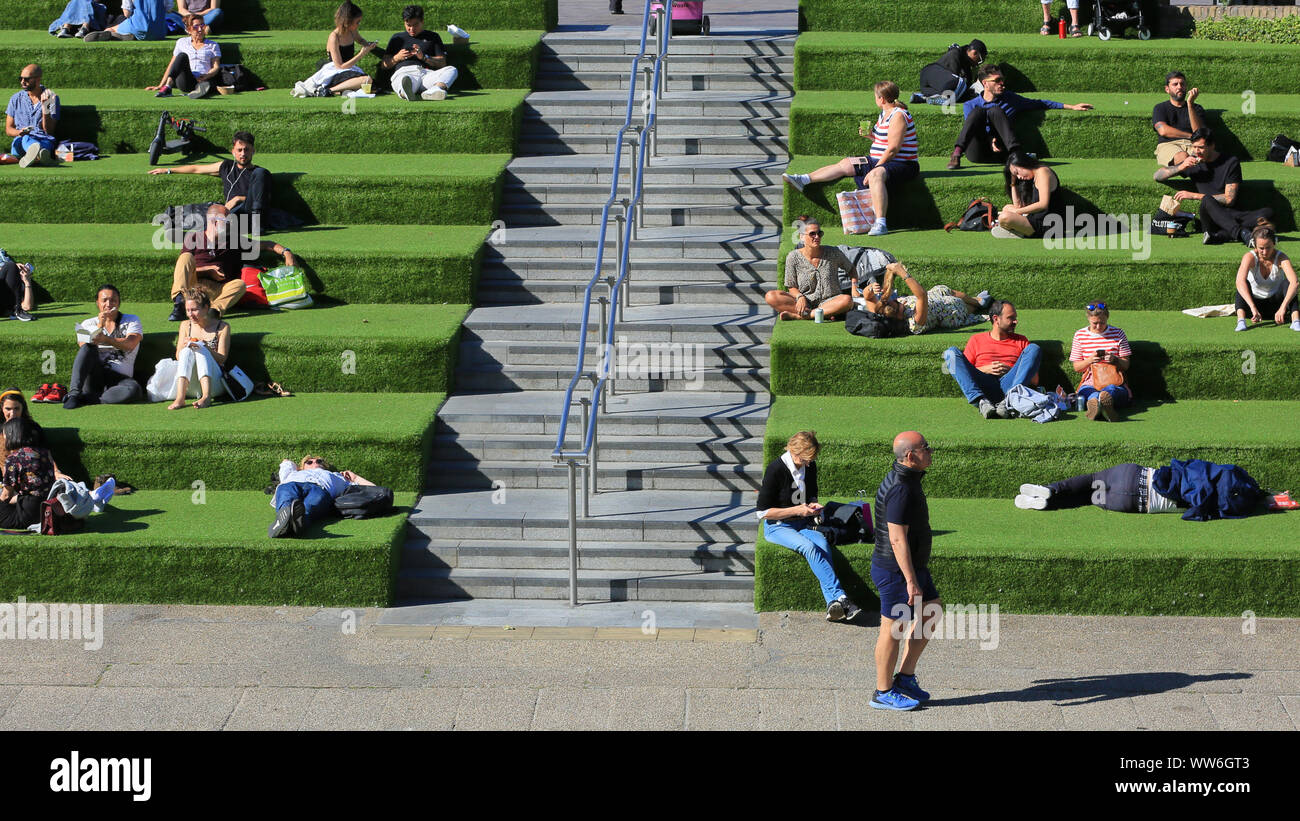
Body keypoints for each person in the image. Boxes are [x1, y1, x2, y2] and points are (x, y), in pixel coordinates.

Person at [782, 81, 918, 236]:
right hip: (879, 159)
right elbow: (884, 141)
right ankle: (804, 179)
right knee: (846, 164)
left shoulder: (898, 115)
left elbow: (893, 149)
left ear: (882, 99)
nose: (874, 99)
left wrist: (874, 169)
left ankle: (880, 223)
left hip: (902, 163)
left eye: (875, 96)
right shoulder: (884, 114)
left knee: (875, 175)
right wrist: (871, 136)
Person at [757, 431, 863, 623]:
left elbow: (812, 494)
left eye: (810, 460)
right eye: (805, 459)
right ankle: (841, 598)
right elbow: (763, 513)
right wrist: (797, 510)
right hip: (778, 527)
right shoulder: (775, 469)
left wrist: (813, 505)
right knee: (808, 547)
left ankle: (833, 604)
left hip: (803, 523)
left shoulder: (810, 466)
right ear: (794, 451)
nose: (808, 463)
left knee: (822, 544)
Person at [870, 430, 942, 711]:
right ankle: (882, 692)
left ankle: (905, 678)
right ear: (910, 456)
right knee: (893, 629)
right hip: (896, 571)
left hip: (912, 566)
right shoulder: (900, 487)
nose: (930, 451)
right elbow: (897, 538)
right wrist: (911, 581)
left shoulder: (908, 479)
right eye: (926, 447)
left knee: (932, 609)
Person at [1014, 459, 1264, 521]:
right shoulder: (1222, 506)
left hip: (1133, 476)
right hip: (1133, 503)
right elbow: (1193, 515)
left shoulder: (1215, 471)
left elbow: (1179, 466)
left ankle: (1049, 490)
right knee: (1090, 498)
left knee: (1091, 480)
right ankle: (1047, 503)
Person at [947, 64, 1092, 170]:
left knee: (995, 111)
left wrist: (1071, 106)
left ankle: (1017, 155)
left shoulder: (1010, 98)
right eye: (997, 80)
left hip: (1002, 151)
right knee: (978, 112)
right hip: (977, 152)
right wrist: (989, 138)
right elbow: (971, 129)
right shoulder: (970, 105)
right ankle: (956, 154)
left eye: (1002, 79)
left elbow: (1039, 103)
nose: (1002, 84)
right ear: (985, 83)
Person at [166, 203, 296, 320]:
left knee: (240, 285)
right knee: (185, 257)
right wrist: (208, 271)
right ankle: (180, 304)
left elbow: (267, 244)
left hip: (218, 289)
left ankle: (213, 312)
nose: (231, 222)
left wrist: (286, 252)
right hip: (193, 286)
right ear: (214, 221)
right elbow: (183, 269)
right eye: (227, 220)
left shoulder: (234, 241)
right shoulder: (193, 238)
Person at [1154, 127, 1274, 246]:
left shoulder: (1230, 162)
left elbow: (1229, 200)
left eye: (1201, 147)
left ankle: (1218, 236)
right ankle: (1242, 233)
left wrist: (1194, 195)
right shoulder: (1192, 163)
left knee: (1267, 213)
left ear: (1212, 146)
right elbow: (1158, 176)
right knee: (1207, 200)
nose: (1196, 151)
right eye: (1194, 147)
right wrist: (1181, 167)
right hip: (1210, 217)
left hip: (1232, 214)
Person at [148, 131, 280, 232]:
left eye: (247, 150)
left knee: (260, 172)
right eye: (239, 150)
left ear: (253, 151)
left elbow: (264, 199)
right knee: (183, 213)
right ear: (233, 152)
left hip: (250, 214)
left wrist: (238, 199)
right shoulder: (227, 166)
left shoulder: (260, 174)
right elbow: (196, 169)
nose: (243, 154)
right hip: (230, 214)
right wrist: (168, 170)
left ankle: (256, 226)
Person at [942, 300, 1042, 418]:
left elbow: (1034, 380)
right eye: (1011, 318)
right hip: (983, 386)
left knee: (1034, 348)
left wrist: (1010, 370)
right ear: (996, 319)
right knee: (950, 353)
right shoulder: (976, 340)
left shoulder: (1021, 340)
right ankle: (981, 402)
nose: (1016, 321)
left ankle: (1010, 401)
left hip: (1009, 386)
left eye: (1016, 318)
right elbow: (962, 374)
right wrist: (985, 369)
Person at [64, 284, 144, 409]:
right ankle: (74, 394)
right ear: (97, 303)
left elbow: (130, 344)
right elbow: (84, 348)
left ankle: (90, 398)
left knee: (134, 390)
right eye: (104, 300)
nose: (109, 304)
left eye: (113, 300)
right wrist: (100, 325)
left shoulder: (132, 320)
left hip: (120, 380)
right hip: (96, 375)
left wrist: (106, 339)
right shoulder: (88, 323)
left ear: (119, 303)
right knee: (88, 347)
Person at [862, 262, 991, 334]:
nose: (900, 302)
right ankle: (976, 306)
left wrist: (871, 289)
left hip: (935, 297)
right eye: (898, 304)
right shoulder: (914, 324)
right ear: (899, 316)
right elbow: (921, 295)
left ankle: (979, 301)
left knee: (942, 289)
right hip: (949, 312)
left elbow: (867, 298)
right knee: (958, 304)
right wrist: (902, 272)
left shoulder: (882, 311)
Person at [766, 221, 859, 320]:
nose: (817, 237)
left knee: (847, 300)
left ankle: (805, 316)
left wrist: (854, 287)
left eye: (819, 233)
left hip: (831, 301)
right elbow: (791, 286)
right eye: (812, 234)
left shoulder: (833, 252)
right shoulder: (793, 257)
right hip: (805, 301)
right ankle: (821, 314)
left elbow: (852, 269)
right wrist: (799, 297)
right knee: (771, 296)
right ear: (801, 237)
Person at [269, 455, 376, 538]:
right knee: (285, 491)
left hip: (320, 490)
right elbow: (286, 462)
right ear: (302, 467)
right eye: (309, 462)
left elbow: (374, 489)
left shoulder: (336, 476)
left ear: (324, 465)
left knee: (310, 506)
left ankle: (294, 523)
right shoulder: (292, 474)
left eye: (319, 461)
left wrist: (355, 477)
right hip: (293, 484)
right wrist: (299, 468)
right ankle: (283, 518)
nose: (314, 462)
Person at [293, 2, 379, 98]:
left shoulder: (352, 31)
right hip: (335, 71)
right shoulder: (334, 37)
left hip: (349, 69)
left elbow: (360, 39)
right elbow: (340, 66)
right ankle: (328, 90)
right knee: (366, 80)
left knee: (370, 83)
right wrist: (361, 54)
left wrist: (368, 44)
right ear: (348, 21)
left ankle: (339, 89)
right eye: (357, 22)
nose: (358, 24)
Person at [1069, 301, 1133, 421]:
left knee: (1110, 391)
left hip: (1113, 381)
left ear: (1107, 318)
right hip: (1090, 382)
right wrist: (1090, 360)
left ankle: (1100, 406)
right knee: (1091, 393)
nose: (1099, 327)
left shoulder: (1118, 333)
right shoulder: (1080, 335)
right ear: (1088, 318)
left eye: (1102, 323)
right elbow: (1077, 367)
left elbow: (1126, 365)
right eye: (1095, 323)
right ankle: (1101, 407)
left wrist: (1115, 360)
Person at [167, 289, 230, 409]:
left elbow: (222, 359)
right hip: (191, 383)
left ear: (206, 308)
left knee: (201, 349)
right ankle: (180, 398)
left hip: (215, 384)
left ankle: (206, 396)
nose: (190, 314)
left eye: (195, 310)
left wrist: (205, 347)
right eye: (188, 310)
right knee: (186, 351)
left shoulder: (222, 327)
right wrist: (187, 345)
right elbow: (178, 357)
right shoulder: (185, 325)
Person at [381, 5, 457, 101]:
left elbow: (442, 63)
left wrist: (424, 57)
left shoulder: (433, 36)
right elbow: (384, 65)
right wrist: (397, 58)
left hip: (426, 74)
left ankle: (435, 90)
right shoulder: (397, 38)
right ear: (404, 23)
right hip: (405, 72)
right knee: (404, 80)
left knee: (452, 70)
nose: (411, 29)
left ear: (422, 22)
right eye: (408, 25)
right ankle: (407, 92)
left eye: (415, 25)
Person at [1234, 225, 1300, 332]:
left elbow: (1295, 282)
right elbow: (1239, 281)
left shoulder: (1281, 257)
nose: (1265, 252)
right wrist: (1252, 307)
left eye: (1268, 247)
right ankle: (1241, 321)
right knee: (1242, 284)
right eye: (1261, 248)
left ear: (1274, 243)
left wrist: (1283, 307)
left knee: (1288, 283)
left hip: (1276, 307)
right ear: (1255, 245)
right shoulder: (1249, 257)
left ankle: (1296, 321)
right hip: (1253, 307)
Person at [0, 388, 72, 482]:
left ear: (23, 407)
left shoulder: (33, 428)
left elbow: (45, 452)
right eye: (8, 409)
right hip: (6, 479)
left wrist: (56, 472)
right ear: (1, 408)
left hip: (31, 477)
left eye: (16, 408)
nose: (12, 414)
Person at [145, 14, 221, 99]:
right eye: (196, 27)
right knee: (182, 56)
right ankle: (168, 87)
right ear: (189, 30)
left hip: (204, 79)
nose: (200, 29)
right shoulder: (181, 42)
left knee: (207, 84)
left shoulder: (213, 45)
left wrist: (207, 75)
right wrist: (160, 85)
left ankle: (199, 91)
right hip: (186, 80)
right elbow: (173, 64)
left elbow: (216, 67)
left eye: (202, 26)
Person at [991, 151, 1064, 238]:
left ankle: (1019, 231)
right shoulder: (1034, 176)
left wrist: (1017, 212)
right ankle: (1019, 230)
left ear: (1023, 163)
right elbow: (1018, 205)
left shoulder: (1043, 172)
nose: (1019, 177)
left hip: (1049, 226)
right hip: (1036, 219)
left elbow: (1043, 204)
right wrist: (1013, 183)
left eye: (1017, 172)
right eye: (1015, 175)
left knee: (1004, 217)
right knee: (1007, 208)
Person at [0, 417, 56, 530]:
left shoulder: (14, 458)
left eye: (5, 434)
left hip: (26, 515)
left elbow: (6, 495)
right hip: (46, 510)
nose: (4, 438)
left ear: (12, 434)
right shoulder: (44, 453)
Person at [5, 65, 60, 168]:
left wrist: (45, 108)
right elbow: (8, 129)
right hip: (20, 142)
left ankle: (35, 156)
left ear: (38, 79)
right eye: (20, 78)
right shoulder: (15, 99)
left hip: (43, 140)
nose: (22, 81)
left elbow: (49, 131)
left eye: (26, 79)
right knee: (25, 138)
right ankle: (40, 157)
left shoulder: (51, 98)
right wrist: (20, 132)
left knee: (42, 146)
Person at [1152, 71, 1204, 167]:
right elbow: (1163, 130)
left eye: (1182, 84)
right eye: (1175, 84)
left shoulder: (1196, 108)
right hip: (1169, 144)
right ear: (1167, 89)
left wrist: (1190, 104)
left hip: (1192, 144)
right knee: (1183, 157)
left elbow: (1198, 132)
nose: (1179, 87)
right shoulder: (1160, 108)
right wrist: (1190, 135)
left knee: (1204, 156)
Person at [914, 39, 987, 105]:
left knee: (960, 89)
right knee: (960, 83)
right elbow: (954, 81)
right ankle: (945, 100)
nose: (979, 63)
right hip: (930, 72)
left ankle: (924, 98)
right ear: (974, 53)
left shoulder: (966, 64)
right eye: (980, 59)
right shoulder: (955, 54)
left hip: (929, 88)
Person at [0, 251, 36, 321]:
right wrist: (14, 267)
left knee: (10, 265)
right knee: (10, 265)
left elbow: (27, 307)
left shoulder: (23, 285)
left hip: (4, 308)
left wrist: (27, 281)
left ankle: (18, 311)